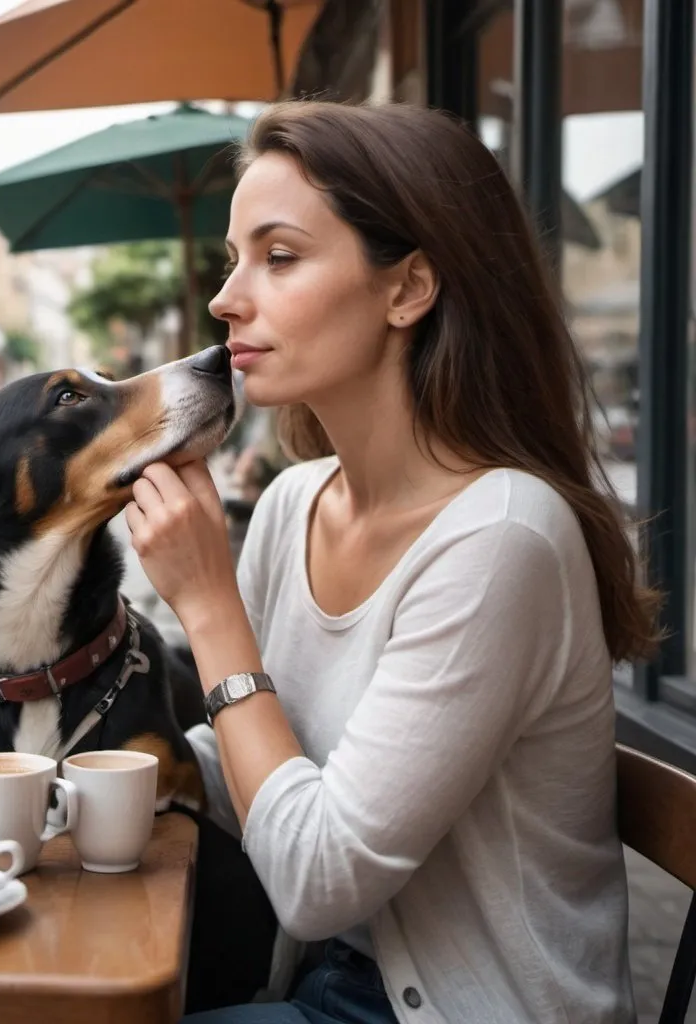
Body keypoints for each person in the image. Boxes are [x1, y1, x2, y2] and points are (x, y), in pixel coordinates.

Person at [123, 102, 658, 1024]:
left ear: (408, 289)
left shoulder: (498, 541)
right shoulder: (294, 504)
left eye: (279, 257)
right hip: (323, 986)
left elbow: (319, 880)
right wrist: (81, 763)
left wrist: (210, 605)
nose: (226, 298)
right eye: (231, 260)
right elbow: (242, 769)